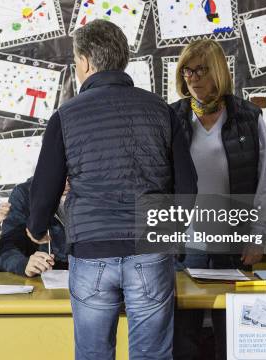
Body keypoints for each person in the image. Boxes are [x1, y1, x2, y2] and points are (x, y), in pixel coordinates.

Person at [26, 19, 198, 360]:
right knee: (152, 355)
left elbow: (46, 183)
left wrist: (36, 226)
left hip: (91, 251)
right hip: (150, 249)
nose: (77, 70)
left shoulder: (66, 115)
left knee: (93, 354)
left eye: (76, 63)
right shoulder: (161, 110)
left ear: (87, 62)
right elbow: (188, 187)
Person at [169, 39, 266, 360]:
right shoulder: (172, 117)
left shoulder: (247, 116)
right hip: (185, 245)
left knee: (234, 335)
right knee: (183, 335)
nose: (192, 77)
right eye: (187, 70)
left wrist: (259, 236)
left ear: (218, 71)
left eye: (200, 69)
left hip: (233, 244)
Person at [0, 177, 68, 277]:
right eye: (63, 172)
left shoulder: (92, 193)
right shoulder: (25, 194)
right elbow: (6, 249)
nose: (67, 180)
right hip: (44, 281)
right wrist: (24, 265)